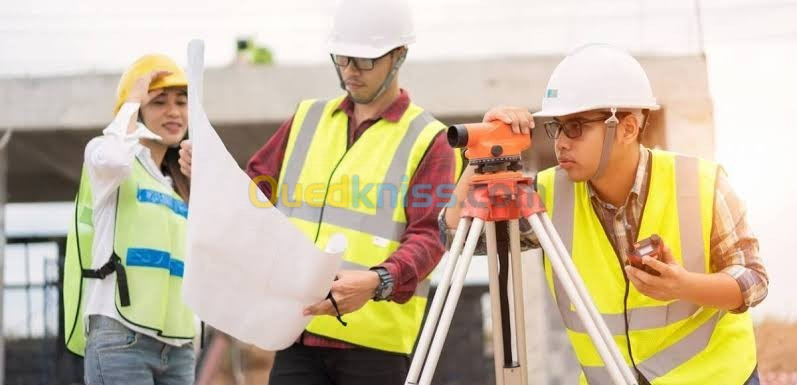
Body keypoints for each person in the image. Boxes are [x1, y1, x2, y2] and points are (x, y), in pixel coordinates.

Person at [442, 44, 768, 385]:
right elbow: (455, 237)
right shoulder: (548, 194)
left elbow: (753, 280)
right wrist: (482, 155)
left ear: (627, 128)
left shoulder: (701, 182)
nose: (561, 143)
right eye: (558, 127)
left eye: (576, 127)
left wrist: (685, 286)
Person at [179, 0, 461, 384]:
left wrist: (380, 281)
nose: (349, 72)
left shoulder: (430, 140)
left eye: (363, 61)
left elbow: (431, 235)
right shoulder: (307, 119)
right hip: (298, 333)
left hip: (375, 346)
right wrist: (212, 176)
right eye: (341, 58)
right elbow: (255, 193)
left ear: (398, 56)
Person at [63, 54, 197, 385]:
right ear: (137, 112)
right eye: (159, 102)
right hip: (121, 338)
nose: (174, 112)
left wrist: (205, 185)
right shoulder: (105, 156)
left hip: (178, 346)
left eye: (181, 102)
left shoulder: (177, 182)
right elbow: (114, 158)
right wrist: (132, 100)